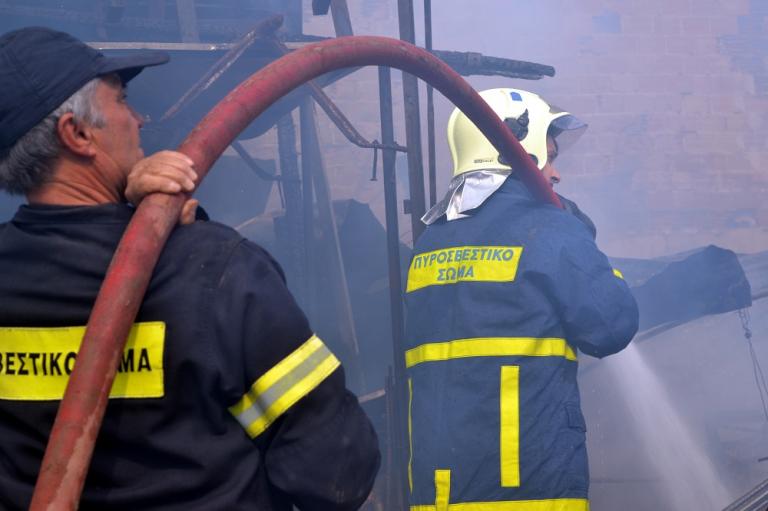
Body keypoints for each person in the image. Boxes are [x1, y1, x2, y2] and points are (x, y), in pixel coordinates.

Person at [0, 26, 379, 510]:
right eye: (122, 101)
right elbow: (333, 470)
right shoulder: (215, 272)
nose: (140, 118)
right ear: (76, 134)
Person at [404, 88, 638, 510]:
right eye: (550, 157)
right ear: (521, 154)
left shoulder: (429, 244)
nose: (556, 175)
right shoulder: (550, 231)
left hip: (436, 497)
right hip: (529, 494)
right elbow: (612, 326)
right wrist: (584, 241)